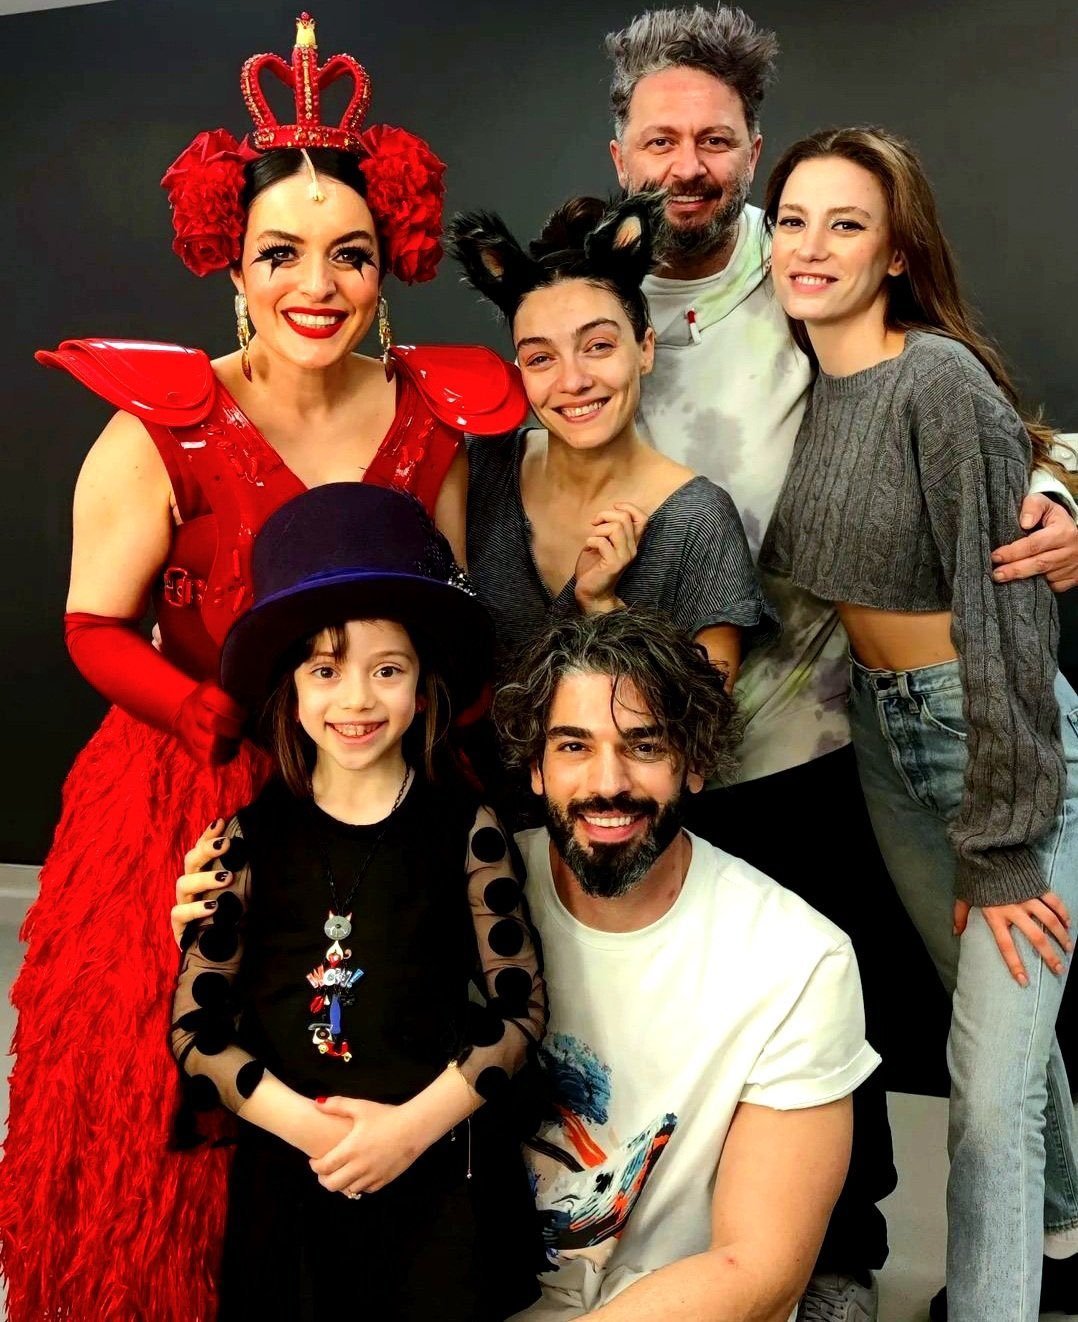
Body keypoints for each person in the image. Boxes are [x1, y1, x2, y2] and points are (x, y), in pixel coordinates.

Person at [0, 15, 525, 1322]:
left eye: (349, 253)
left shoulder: (431, 418)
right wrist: (214, 717)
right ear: (232, 263)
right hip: (191, 783)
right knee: (162, 1092)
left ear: (386, 265)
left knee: (374, 1061)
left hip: (371, 784)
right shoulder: (156, 425)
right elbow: (93, 624)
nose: (317, 283)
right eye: (280, 252)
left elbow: (443, 610)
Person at [602, 8, 1078, 1317]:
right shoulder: (598, 293)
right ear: (619, 151)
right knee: (787, 1016)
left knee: (896, 1033)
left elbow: (1001, 435)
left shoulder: (803, 268)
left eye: (714, 141)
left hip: (839, 734)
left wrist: (1065, 495)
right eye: (660, 140)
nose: (687, 165)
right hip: (737, 734)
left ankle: (880, 1268)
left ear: (749, 153)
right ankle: (1059, 1235)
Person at [759, 125, 1078, 1322]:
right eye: (793, 220)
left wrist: (1003, 838)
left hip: (997, 734)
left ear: (895, 252)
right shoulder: (804, 384)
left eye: (845, 224)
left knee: (985, 1089)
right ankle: (1065, 1232)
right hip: (888, 749)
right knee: (1001, 1030)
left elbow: (1008, 618)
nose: (811, 246)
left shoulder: (934, 378)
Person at [168, 482, 546, 1320]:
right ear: (292, 689)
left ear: (423, 688)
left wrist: (406, 1132)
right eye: (326, 670)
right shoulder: (242, 840)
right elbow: (196, 1032)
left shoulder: (468, 827)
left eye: (387, 670)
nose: (357, 700)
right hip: (294, 1177)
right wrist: (318, 1133)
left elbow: (520, 1015)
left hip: (435, 1171)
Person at [491, 608, 880, 1321]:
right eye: (574, 745)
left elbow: (759, 1268)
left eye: (644, 745)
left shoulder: (797, 957)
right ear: (537, 769)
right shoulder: (473, 898)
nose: (608, 783)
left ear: (694, 763)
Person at [449, 193, 773, 684]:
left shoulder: (696, 521)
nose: (573, 381)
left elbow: (710, 713)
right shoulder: (478, 469)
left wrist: (603, 607)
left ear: (645, 349)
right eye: (541, 358)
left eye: (598, 346)